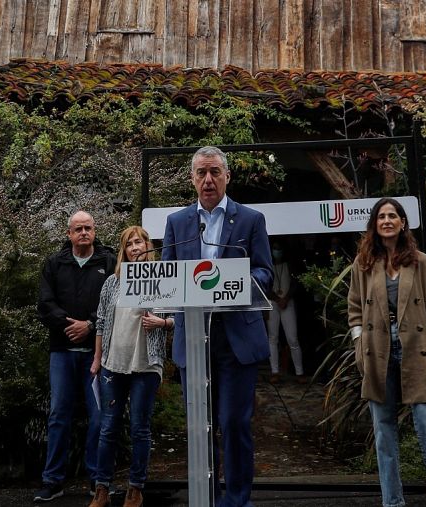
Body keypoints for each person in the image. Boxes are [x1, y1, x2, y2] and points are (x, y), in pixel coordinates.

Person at [162, 146, 273, 507]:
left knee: (234, 422)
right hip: (194, 338)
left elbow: (265, 272)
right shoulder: (177, 222)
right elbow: (167, 276)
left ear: (227, 176)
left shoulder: (250, 219)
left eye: (214, 172)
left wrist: (237, 280)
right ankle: (205, 499)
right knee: (199, 426)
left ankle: (237, 500)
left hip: (235, 336)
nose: (208, 180)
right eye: (201, 173)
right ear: (192, 179)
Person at [347, 198, 426, 507]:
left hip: (416, 347)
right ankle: (393, 503)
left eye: (392, 216)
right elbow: (354, 309)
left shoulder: (420, 261)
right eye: (381, 216)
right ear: (374, 224)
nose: (387, 221)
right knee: (384, 433)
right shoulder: (363, 263)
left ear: (402, 222)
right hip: (377, 349)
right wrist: (359, 344)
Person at [34, 211, 117, 503]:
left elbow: (114, 302)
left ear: (95, 231)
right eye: (78, 229)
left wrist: (90, 325)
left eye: (88, 228)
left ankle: (98, 480)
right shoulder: (54, 263)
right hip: (62, 351)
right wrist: (70, 326)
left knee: (99, 418)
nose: (83, 233)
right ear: (69, 233)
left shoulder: (108, 262)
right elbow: (45, 304)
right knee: (59, 415)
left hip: (98, 354)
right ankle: (53, 480)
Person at [88, 226, 171, 507]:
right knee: (108, 428)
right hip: (113, 364)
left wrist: (163, 322)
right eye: (129, 244)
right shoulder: (113, 282)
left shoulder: (162, 279)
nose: (135, 247)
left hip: (146, 365)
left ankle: (135, 488)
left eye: (139, 242)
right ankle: (102, 488)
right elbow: (101, 322)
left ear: (148, 245)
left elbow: (182, 317)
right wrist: (97, 359)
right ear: (123, 251)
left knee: (139, 428)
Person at [267, 241, 307, 384]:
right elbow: (264, 285)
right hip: (272, 303)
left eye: (279, 248)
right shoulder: (267, 264)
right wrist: (277, 299)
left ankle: (299, 372)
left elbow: (295, 283)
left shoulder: (289, 265)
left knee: (293, 339)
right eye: (275, 248)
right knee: (272, 338)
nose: (277, 251)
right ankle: (275, 371)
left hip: (287, 303)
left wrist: (286, 298)